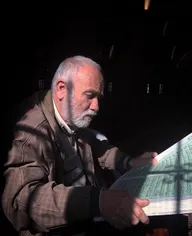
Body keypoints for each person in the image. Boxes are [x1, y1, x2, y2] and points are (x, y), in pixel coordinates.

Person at [2, 55, 158, 236]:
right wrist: (96, 202)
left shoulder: (70, 114)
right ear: (61, 89)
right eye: (90, 96)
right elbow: (20, 201)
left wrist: (129, 162)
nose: (96, 106)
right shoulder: (32, 132)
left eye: (99, 97)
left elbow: (95, 146)